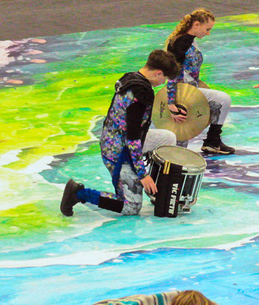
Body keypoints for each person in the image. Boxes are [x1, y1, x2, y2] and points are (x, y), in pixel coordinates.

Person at [60, 50, 180, 217]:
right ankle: (79, 193)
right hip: (118, 152)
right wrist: (142, 174)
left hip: (115, 138)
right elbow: (132, 138)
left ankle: (156, 188)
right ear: (158, 73)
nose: (163, 82)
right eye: (164, 79)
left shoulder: (131, 79)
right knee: (132, 207)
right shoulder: (141, 94)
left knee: (168, 138)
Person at [164, 9, 237, 154]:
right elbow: (172, 74)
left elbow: (188, 70)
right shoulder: (180, 44)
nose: (208, 33)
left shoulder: (189, 40)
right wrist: (171, 103)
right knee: (180, 147)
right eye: (207, 29)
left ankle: (212, 141)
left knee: (223, 99)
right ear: (196, 25)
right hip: (181, 95)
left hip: (190, 90)